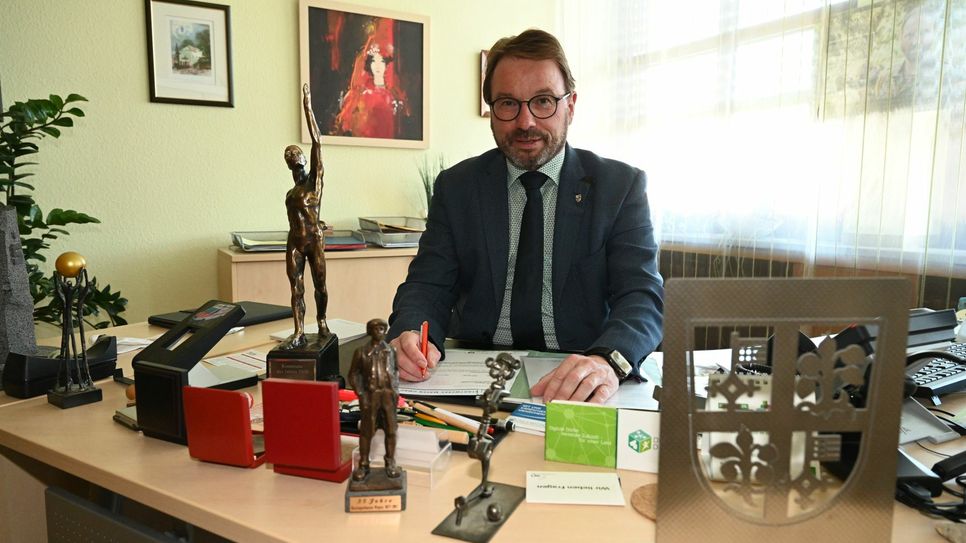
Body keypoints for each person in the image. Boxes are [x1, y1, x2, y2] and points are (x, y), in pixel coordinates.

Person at [387, 29, 664, 404]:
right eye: (507, 103)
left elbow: (641, 296)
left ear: (572, 105)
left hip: (579, 372)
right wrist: (410, 334)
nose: (526, 122)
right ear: (491, 111)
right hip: (473, 373)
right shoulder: (458, 187)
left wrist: (606, 361)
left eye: (544, 101)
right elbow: (427, 286)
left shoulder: (619, 187)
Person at [281, 84, 329, 349]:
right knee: (295, 288)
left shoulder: (314, 183)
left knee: (319, 285)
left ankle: (321, 320)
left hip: (314, 239)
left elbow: (317, 142)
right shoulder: (291, 191)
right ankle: (299, 331)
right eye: (288, 154)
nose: (291, 155)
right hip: (294, 241)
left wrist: (307, 107)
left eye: (295, 152)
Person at [348, 318, 401, 481]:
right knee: (366, 432)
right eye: (377, 328)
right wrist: (361, 394)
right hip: (370, 396)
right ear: (370, 331)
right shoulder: (362, 352)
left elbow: (396, 371)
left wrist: (395, 391)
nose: (381, 332)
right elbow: (353, 375)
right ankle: (364, 465)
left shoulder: (391, 351)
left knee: (391, 431)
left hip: (388, 396)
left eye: (383, 329)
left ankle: (390, 462)